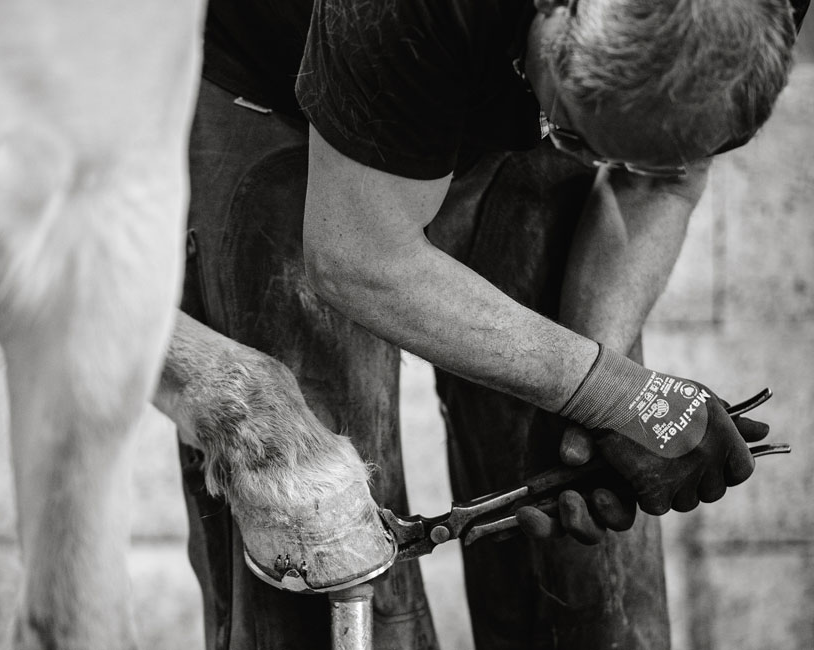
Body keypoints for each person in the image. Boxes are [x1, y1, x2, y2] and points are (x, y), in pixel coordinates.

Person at [176, 0, 809, 648]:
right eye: (573, 131)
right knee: (319, 541)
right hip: (281, 91)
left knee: (592, 592)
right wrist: (612, 392)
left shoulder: (755, 21)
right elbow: (358, 256)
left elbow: (663, 181)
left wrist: (604, 396)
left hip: (505, 64)